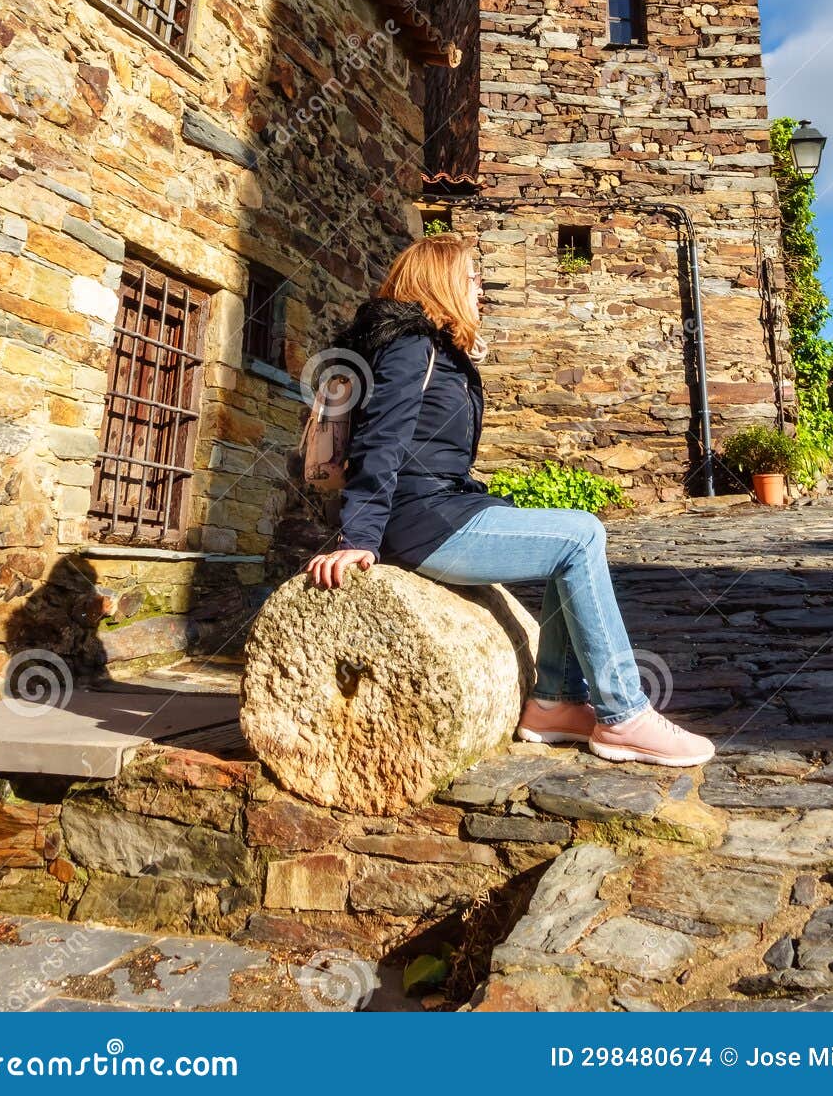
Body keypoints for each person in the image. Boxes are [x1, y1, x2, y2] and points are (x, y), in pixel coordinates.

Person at [306, 234, 714, 768]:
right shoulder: (410, 345)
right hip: (420, 520)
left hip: (450, 504)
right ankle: (623, 715)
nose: (482, 292)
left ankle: (555, 703)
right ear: (444, 282)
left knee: (564, 540)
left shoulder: (438, 349)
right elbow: (380, 442)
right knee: (581, 534)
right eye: (474, 279)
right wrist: (358, 537)